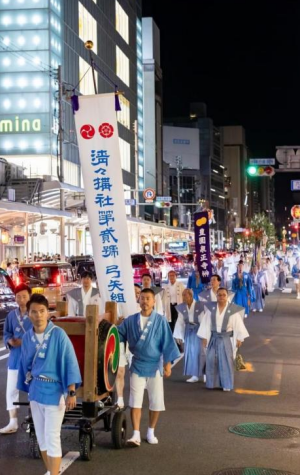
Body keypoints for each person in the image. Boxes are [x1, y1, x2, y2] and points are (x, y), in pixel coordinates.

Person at [17, 294, 82, 475]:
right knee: (41, 438)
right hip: (36, 392)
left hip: (54, 392)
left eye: (42, 311)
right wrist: (27, 388)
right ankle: (51, 471)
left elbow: (70, 361)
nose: (38, 315)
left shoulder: (58, 335)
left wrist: (71, 392)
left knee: (52, 437)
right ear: (28, 314)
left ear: (48, 313)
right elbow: (24, 366)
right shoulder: (27, 337)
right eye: (34, 312)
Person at [117, 288, 180, 446]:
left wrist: (167, 364)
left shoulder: (160, 320)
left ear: (153, 302)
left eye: (148, 299)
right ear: (138, 300)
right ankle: (136, 434)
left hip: (154, 366)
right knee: (135, 401)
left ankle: (151, 431)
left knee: (156, 401)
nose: (144, 301)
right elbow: (118, 334)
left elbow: (167, 342)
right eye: (142, 298)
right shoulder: (131, 320)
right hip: (137, 364)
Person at [198, 287, 249, 391]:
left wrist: (239, 338)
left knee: (226, 361)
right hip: (214, 338)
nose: (221, 297)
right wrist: (204, 337)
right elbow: (206, 324)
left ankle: (226, 384)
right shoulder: (211, 309)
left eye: (224, 295)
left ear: (227, 296)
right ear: (216, 296)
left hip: (227, 339)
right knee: (211, 359)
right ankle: (212, 383)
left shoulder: (232, 310)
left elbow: (238, 325)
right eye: (219, 295)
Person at [0, 284, 33, 434]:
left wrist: (24, 341)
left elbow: (41, 333)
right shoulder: (11, 315)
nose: (21, 299)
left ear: (30, 297)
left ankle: (33, 420)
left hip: (32, 358)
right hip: (14, 357)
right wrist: (9, 341)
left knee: (33, 389)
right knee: (11, 390)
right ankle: (12, 421)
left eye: (24, 296)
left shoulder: (35, 314)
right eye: (18, 296)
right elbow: (6, 333)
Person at [115, 283, 141, 409]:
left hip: (135, 343)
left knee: (134, 373)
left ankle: (135, 398)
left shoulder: (140, 308)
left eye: (137, 292)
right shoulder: (118, 305)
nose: (136, 294)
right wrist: (118, 320)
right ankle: (120, 398)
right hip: (120, 341)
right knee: (120, 371)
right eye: (133, 291)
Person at [173, 288, 205, 383]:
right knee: (191, 353)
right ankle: (194, 375)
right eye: (182, 295)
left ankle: (206, 374)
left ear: (191, 296)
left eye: (185, 295)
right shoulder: (182, 307)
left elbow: (203, 321)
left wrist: (205, 335)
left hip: (199, 330)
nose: (183, 298)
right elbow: (179, 322)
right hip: (188, 331)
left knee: (202, 353)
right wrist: (178, 335)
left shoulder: (199, 305)